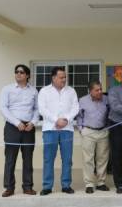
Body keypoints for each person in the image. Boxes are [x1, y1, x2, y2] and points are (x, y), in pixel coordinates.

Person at [0, 64, 39, 197]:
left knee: (28, 158)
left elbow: (37, 109)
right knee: (10, 159)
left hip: (28, 128)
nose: (18, 74)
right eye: (16, 72)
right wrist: (17, 123)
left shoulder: (33, 91)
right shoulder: (7, 89)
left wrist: (33, 123)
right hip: (12, 127)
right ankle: (9, 187)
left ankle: (27, 187)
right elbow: (3, 108)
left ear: (27, 75)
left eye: (21, 72)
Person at [38, 67, 79, 196]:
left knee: (67, 159)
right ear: (53, 78)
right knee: (48, 159)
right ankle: (47, 186)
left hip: (67, 129)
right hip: (50, 129)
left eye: (65, 77)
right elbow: (42, 109)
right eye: (61, 77)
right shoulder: (44, 91)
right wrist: (56, 120)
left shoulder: (71, 91)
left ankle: (66, 185)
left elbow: (75, 107)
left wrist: (66, 119)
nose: (64, 79)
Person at [76, 81, 110, 194]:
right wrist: (81, 129)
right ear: (90, 91)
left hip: (103, 132)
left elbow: (110, 114)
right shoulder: (83, 100)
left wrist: (108, 128)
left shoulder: (106, 99)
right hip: (88, 132)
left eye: (100, 89)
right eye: (97, 90)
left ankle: (101, 182)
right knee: (88, 159)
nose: (100, 92)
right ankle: (89, 184)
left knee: (102, 158)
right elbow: (79, 116)